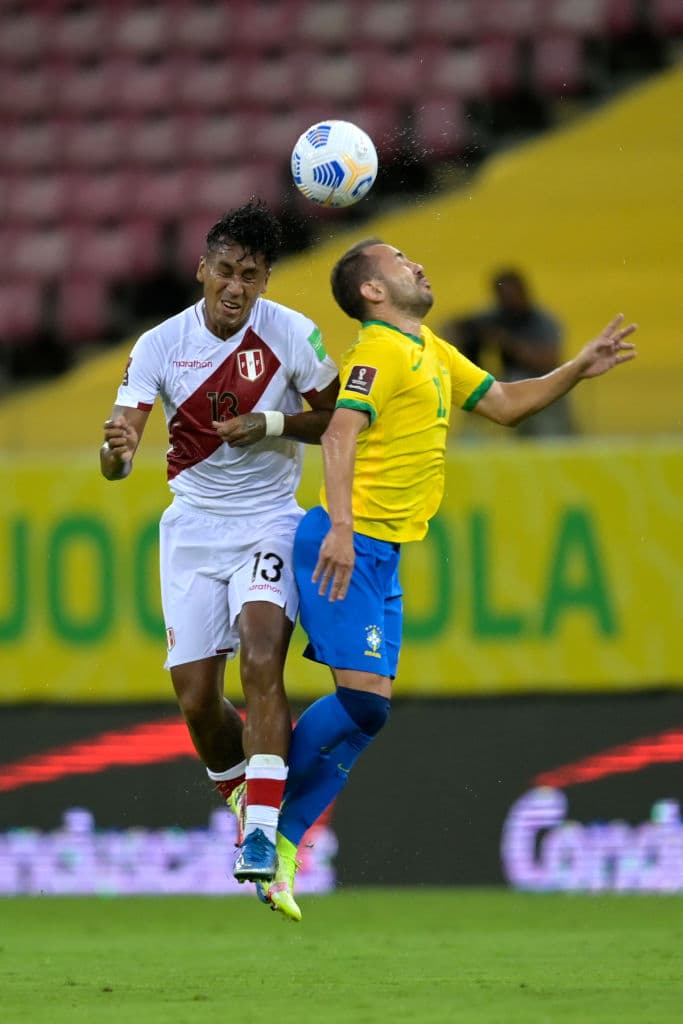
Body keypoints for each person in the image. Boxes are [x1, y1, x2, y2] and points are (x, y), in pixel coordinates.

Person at [259, 238, 636, 921]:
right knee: (365, 705)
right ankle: (260, 801)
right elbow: (340, 433)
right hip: (343, 543)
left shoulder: (427, 348)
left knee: (370, 712)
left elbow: (504, 404)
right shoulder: (377, 348)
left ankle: (277, 839)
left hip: (383, 550)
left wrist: (576, 368)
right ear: (372, 291)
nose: (418, 264)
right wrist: (341, 528)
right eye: (399, 260)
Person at [99, 198, 339, 885]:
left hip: (269, 519)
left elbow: (338, 420)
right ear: (202, 269)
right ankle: (244, 796)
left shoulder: (294, 335)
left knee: (261, 660)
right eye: (227, 271)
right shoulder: (157, 346)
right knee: (197, 697)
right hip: (193, 531)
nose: (237, 288)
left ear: (266, 280)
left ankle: (263, 834)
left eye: (253, 275)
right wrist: (114, 454)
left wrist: (270, 426)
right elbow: (118, 453)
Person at [443, 268, 573, 436]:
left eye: (511, 296)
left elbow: (549, 361)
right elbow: (450, 327)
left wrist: (507, 343)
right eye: (503, 298)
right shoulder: (494, 317)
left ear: (524, 292)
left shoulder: (543, 320)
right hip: (512, 392)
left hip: (546, 395)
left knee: (551, 440)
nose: (508, 302)